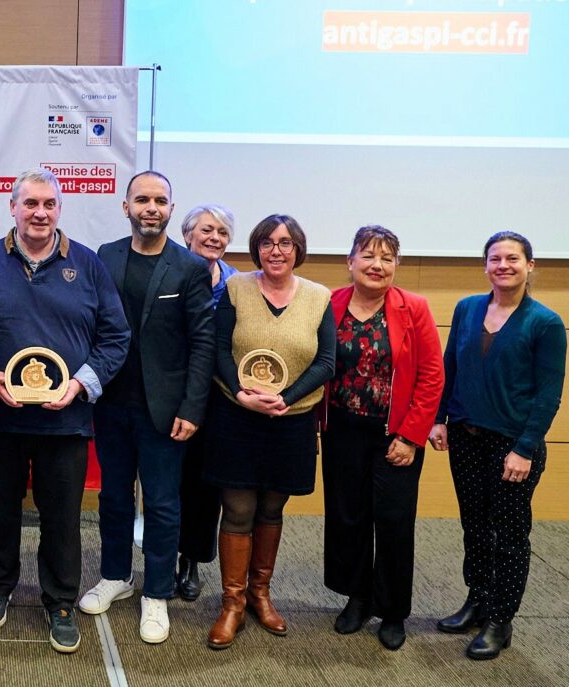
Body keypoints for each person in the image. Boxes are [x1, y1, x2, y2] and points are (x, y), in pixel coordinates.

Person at [0, 169, 130, 654]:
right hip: (2, 417)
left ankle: (59, 600)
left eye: (49, 204)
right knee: (1, 509)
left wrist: (81, 384)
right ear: (12, 207)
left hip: (66, 419)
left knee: (62, 517)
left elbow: (115, 337)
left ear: (60, 208)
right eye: (30, 203)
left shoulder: (88, 264)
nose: (40, 213)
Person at [81, 172, 214, 644]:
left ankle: (156, 592)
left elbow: (203, 343)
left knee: (161, 503)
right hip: (111, 403)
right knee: (113, 497)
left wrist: (193, 407)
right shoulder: (105, 257)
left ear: (171, 209)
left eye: (160, 200)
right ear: (126, 207)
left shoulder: (190, 268)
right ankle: (116, 576)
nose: (151, 207)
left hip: (167, 410)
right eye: (142, 199)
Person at [429, 231, 565, 660]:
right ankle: (477, 600)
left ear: (530, 266)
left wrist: (525, 448)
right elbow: (450, 366)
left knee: (508, 535)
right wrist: (439, 418)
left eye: (512, 258)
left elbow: (548, 393)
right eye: (495, 259)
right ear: (485, 265)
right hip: (467, 438)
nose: (503, 265)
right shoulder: (467, 308)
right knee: (474, 526)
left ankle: (500, 620)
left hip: (512, 448)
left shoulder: (545, 322)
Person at [204, 214, 335, 650]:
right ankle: (232, 604)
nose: (275, 250)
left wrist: (286, 396)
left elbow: (327, 362)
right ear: (256, 247)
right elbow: (218, 348)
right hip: (236, 416)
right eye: (266, 242)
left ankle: (261, 595)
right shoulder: (237, 288)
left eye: (284, 242)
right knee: (238, 509)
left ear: (298, 248)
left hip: (292, 419)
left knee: (272, 510)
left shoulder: (319, 297)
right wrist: (242, 394)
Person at [323, 225, 443, 650]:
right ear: (350, 261)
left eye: (387, 258)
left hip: (395, 434)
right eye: (368, 255)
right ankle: (358, 598)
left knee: (392, 522)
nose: (377, 265)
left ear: (396, 265)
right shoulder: (330, 303)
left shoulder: (414, 307)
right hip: (340, 429)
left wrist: (411, 437)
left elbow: (432, 376)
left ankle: (393, 611)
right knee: (348, 516)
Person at [175, 203, 238, 600]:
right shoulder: (172, 269)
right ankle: (161, 554)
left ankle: (191, 559)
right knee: (172, 480)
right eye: (206, 230)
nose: (214, 238)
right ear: (187, 235)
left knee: (205, 483)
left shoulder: (238, 284)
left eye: (222, 232)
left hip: (221, 397)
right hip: (175, 392)